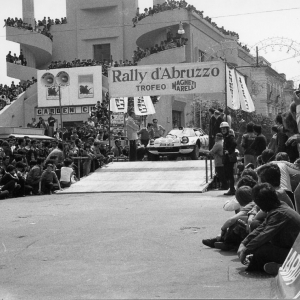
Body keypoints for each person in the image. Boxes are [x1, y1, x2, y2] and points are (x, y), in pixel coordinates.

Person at [237, 183, 300, 276]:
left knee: (262, 250)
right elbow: (261, 228)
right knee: (256, 227)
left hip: (295, 254)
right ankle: (278, 265)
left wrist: (246, 250)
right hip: (290, 249)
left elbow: (265, 234)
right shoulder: (279, 207)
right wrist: (244, 243)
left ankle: (284, 267)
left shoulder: (280, 213)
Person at [220, 122, 237, 196]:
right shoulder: (226, 137)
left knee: (230, 174)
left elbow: (234, 143)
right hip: (227, 159)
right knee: (228, 174)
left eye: (224, 129)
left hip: (229, 159)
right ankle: (232, 189)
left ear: (227, 129)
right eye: (222, 129)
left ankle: (232, 189)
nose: (223, 130)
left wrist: (229, 151)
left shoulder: (230, 137)